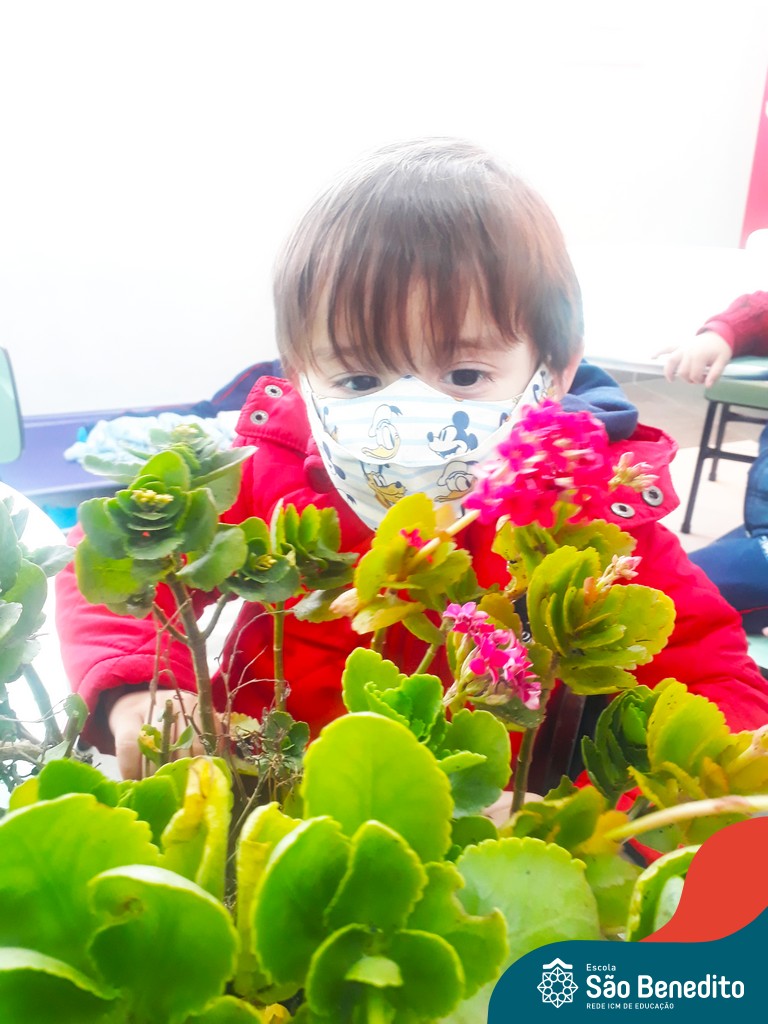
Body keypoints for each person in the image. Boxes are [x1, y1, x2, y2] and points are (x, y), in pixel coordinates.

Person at [56, 140, 768, 780]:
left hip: (479, 841)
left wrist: (583, 818)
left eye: (464, 375)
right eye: (360, 379)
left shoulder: (584, 519)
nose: (404, 417)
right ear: (299, 371)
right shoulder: (265, 477)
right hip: (264, 802)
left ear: (552, 373)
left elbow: (720, 682)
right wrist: (140, 692)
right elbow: (115, 564)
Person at [660, 291, 768, 634]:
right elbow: (761, 310)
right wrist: (722, 333)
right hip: (759, 521)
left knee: (664, 598)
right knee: (671, 576)